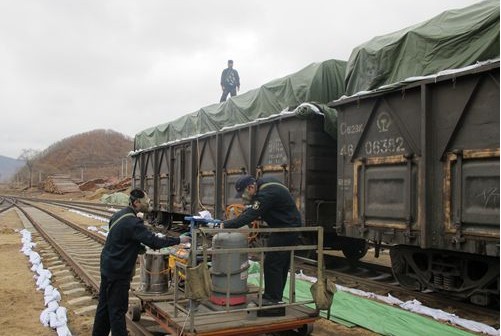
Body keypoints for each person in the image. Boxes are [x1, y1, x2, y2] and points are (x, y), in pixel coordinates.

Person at [92, 189, 190, 336]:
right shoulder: (133, 223)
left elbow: (121, 238)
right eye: (146, 202)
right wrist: (179, 240)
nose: (148, 204)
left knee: (104, 306)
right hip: (119, 271)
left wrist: (137, 247)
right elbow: (154, 242)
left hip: (107, 266)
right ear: (136, 203)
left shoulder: (119, 215)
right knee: (117, 310)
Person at [222, 175, 301, 304]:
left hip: (285, 230)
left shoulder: (266, 194)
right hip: (288, 227)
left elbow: (251, 215)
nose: (243, 198)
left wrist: (223, 225)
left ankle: (272, 299)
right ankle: (275, 296)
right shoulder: (266, 183)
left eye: (244, 194)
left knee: (272, 263)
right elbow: (258, 209)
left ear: (251, 187)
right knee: (280, 264)